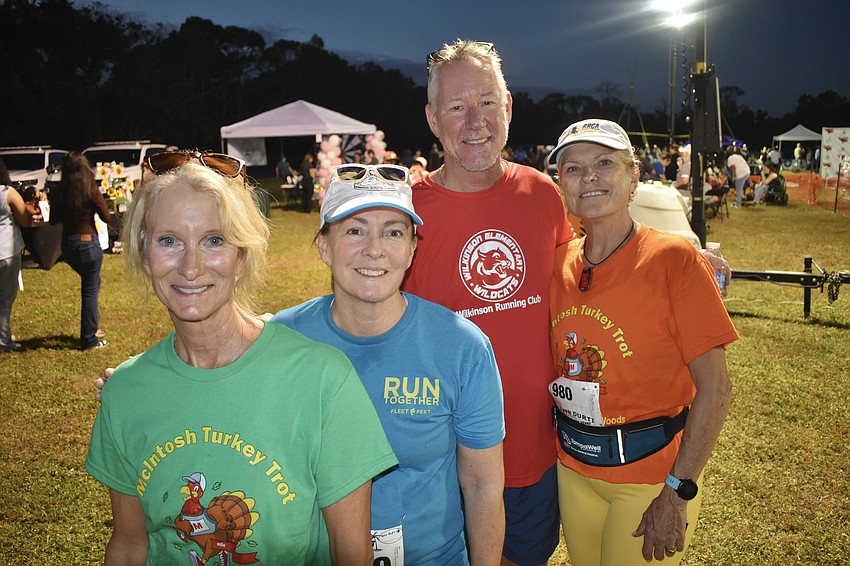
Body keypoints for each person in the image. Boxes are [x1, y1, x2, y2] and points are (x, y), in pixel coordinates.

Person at [85, 151, 397, 565]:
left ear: (242, 255)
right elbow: (129, 544)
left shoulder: (324, 380)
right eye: (169, 241)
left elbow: (350, 552)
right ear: (144, 254)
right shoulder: (125, 391)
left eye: (214, 240)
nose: (191, 266)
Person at [272, 163, 506, 564]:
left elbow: (483, 484)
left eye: (393, 232)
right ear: (324, 245)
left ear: (413, 247)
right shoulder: (281, 342)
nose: (375, 248)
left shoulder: (461, 346)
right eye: (355, 230)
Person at [402, 39, 576, 566]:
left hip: (534, 457)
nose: (474, 121)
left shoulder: (544, 194)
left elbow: (593, 267)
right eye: (456, 106)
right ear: (433, 119)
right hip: (443, 466)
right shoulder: (405, 213)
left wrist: (677, 250)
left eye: (486, 102)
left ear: (508, 107)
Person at [546, 119, 738, 565]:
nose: (588, 177)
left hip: (650, 477)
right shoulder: (555, 263)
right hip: (573, 469)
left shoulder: (675, 260)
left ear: (634, 177)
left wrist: (677, 492)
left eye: (604, 163)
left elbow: (717, 390)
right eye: (573, 168)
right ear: (562, 185)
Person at [49, 152, 111, 349]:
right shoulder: (90, 189)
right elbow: (107, 217)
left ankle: (91, 328)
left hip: (68, 246)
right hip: (88, 244)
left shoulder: (60, 191)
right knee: (90, 290)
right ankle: (89, 339)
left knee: (92, 284)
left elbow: (53, 219)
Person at [1, 159, 33, 353]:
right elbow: (25, 219)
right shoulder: (7, 193)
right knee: (5, 297)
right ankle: (3, 340)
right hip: (6, 250)